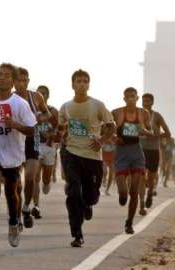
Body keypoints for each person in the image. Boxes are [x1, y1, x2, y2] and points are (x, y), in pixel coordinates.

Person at [0, 63, 36, 250]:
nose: (2, 78)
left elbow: (31, 129)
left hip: (12, 155)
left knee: (11, 193)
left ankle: (13, 222)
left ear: (13, 81)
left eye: (6, 75)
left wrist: (15, 125)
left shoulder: (20, 104)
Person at [58, 69, 115, 247]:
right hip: (72, 154)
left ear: (88, 85)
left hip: (92, 157)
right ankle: (77, 234)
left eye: (85, 81)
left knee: (90, 196)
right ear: (72, 84)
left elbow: (111, 125)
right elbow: (62, 127)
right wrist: (63, 137)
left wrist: (102, 140)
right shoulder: (66, 106)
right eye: (78, 81)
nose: (82, 84)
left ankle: (88, 204)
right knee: (73, 193)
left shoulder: (97, 105)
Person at [14, 67, 52, 229]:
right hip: (14, 141)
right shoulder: (9, 98)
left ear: (28, 81)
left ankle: (26, 208)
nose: (21, 83)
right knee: (16, 183)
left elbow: (47, 114)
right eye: (18, 80)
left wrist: (37, 119)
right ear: (13, 82)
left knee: (30, 177)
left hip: (33, 140)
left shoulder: (36, 97)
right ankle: (16, 215)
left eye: (24, 80)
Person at [111, 87, 153, 234]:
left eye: (132, 96)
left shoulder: (143, 113)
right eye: (127, 96)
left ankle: (129, 222)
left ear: (137, 98)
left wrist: (143, 131)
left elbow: (150, 131)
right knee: (124, 193)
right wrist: (115, 138)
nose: (130, 99)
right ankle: (122, 194)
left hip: (136, 151)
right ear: (124, 98)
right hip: (121, 152)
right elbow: (108, 131)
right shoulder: (116, 112)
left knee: (134, 190)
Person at [140, 93, 171, 209]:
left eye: (148, 101)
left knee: (151, 176)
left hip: (153, 150)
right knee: (141, 177)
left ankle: (149, 194)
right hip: (141, 150)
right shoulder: (137, 115)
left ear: (152, 103)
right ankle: (141, 203)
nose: (146, 103)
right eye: (144, 101)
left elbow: (168, 133)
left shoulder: (157, 116)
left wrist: (155, 136)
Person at [32, 85, 58, 219]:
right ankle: (36, 206)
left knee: (45, 178)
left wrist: (52, 135)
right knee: (35, 177)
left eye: (43, 93)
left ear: (47, 96)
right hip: (36, 145)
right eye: (38, 93)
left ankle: (47, 182)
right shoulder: (31, 110)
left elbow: (59, 129)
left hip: (49, 147)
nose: (40, 95)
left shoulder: (53, 111)